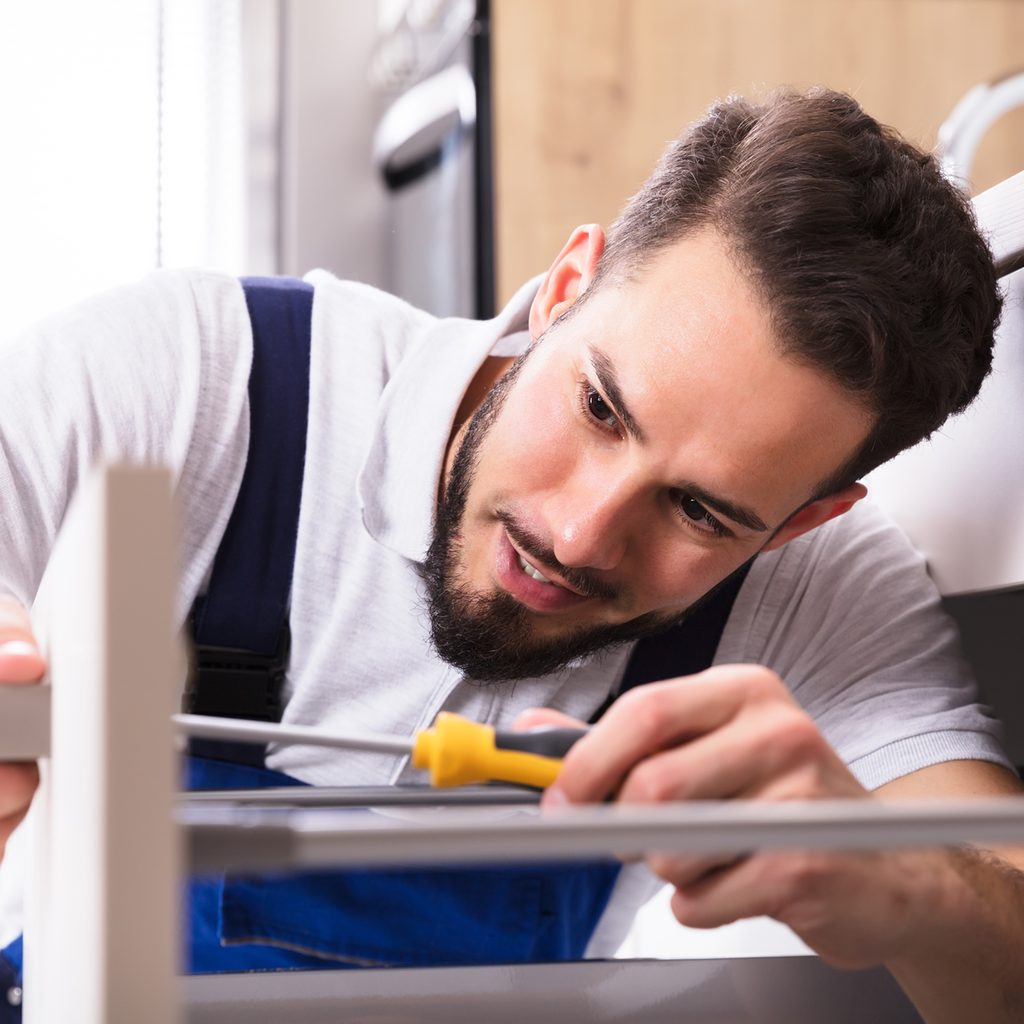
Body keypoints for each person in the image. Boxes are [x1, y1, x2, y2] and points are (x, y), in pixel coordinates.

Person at [0, 86, 1020, 1020]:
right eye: (598, 408)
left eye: (700, 512)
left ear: (800, 521)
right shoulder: (203, 373)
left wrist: (911, 884)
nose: (576, 535)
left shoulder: (820, 591)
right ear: (565, 285)